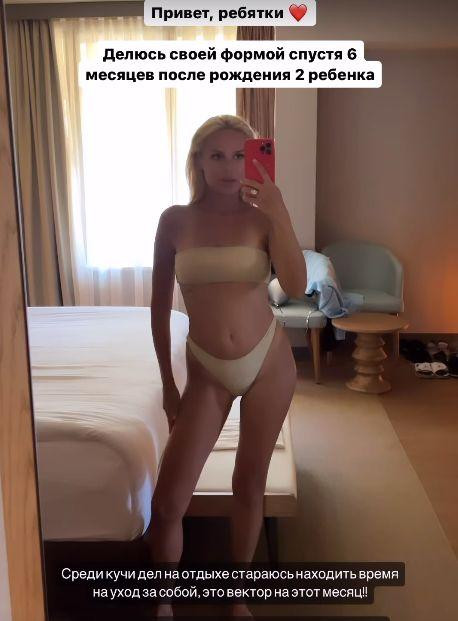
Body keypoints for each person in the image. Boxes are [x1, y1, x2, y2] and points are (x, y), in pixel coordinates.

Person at [147, 114, 307, 617]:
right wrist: (167, 383)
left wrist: (280, 212)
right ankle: (163, 601)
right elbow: (157, 306)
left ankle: (238, 595)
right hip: (205, 369)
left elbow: (297, 287)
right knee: (168, 502)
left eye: (240, 155)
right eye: (216, 155)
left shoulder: (263, 217)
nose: (229, 166)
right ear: (198, 161)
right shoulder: (174, 220)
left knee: (249, 485)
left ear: (253, 160)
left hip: (268, 363)